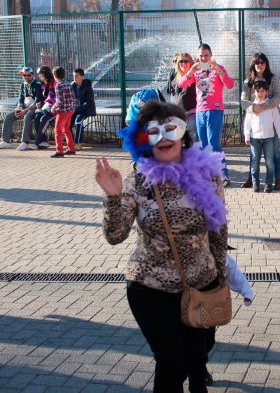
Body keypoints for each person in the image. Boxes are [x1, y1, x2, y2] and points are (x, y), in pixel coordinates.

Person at [96, 100, 228, 393]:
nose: (164, 138)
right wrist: (113, 197)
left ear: (183, 135)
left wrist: (221, 278)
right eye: (154, 132)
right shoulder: (138, 182)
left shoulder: (209, 175)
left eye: (171, 129)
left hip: (201, 285)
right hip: (151, 288)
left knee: (197, 358)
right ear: (143, 140)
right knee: (172, 363)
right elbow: (115, 236)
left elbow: (218, 230)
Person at [178, 43, 234, 187]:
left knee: (213, 143)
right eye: (201, 56)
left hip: (215, 110)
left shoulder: (218, 68)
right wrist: (191, 69)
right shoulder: (196, 71)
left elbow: (229, 84)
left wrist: (218, 71)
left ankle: (223, 175)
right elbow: (181, 84)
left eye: (206, 55)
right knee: (202, 145)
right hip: (200, 111)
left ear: (211, 54)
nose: (203, 58)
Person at [204, 252, 253, 386]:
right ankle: (196, 371)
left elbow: (230, 267)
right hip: (180, 301)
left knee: (208, 341)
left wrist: (246, 291)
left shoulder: (212, 248)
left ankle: (199, 366)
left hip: (208, 304)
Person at [240, 52, 280, 190]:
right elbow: (243, 101)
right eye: (257, 63)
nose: (260, 65)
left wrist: (263, 106)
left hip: (271, 117)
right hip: (255, 118)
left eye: (262, 62)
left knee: (275, 152)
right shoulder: (248, 82)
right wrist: (253, 108)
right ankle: (252, 179)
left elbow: (278, 98)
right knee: (254, 154)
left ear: (266, 64)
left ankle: (277, 178)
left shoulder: (273, 79)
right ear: (253, 65)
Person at [0, 67, 44, 150]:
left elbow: (37, 101)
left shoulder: (37, 85)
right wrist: (19, 108)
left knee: (27, 116)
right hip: (24, 108)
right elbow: (20, 99)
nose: (26, 77)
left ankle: (24, 142)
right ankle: (6, 141)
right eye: (24, 75)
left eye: (28, 75)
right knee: (9, 116)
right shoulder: (22, 85)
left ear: (32, 75)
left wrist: (25, 110)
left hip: (35, 108)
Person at [50, 67, 76, 158]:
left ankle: (59, 151)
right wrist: (72, 108)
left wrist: (53, 108)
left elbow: (59, 101)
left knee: (57, 130)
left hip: (62, 111)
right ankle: (71, 149)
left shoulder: (58, 85)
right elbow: (73, 98)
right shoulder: (68, 83)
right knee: (66, 129)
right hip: (70, 110)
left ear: (54, 75)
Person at [172, 53, 198, 142]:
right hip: (180, 114)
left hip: (192, 113)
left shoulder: (195, 75)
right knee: (178, 140)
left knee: (192, 139)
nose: (183, 63)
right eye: (180, 61)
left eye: (185, 61)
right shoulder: (177, 77)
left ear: (190, 62)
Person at [70, 68, 96, 151]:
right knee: (67, 124)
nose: (74, 78)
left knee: (78, 120)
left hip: (86, 109)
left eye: (76, 76)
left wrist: (77, 108)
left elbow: (89, 103)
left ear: (82, 77)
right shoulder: (72, 85)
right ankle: (71, 143)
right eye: (73, 76)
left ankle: (77, 144)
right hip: (75, 109)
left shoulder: (88, 87)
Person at [31, 66, 56, 150]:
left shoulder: (54, 83)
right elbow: (44, 98)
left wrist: (48, 104)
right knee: (37, 117)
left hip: (55, 109)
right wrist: (40, 103)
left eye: (40, 74)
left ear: (45, 74)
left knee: (43, 119)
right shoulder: (42, 84)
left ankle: (37, 142)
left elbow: (54, 97)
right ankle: (44, 141)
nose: (39, 76)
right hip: (46, 108)